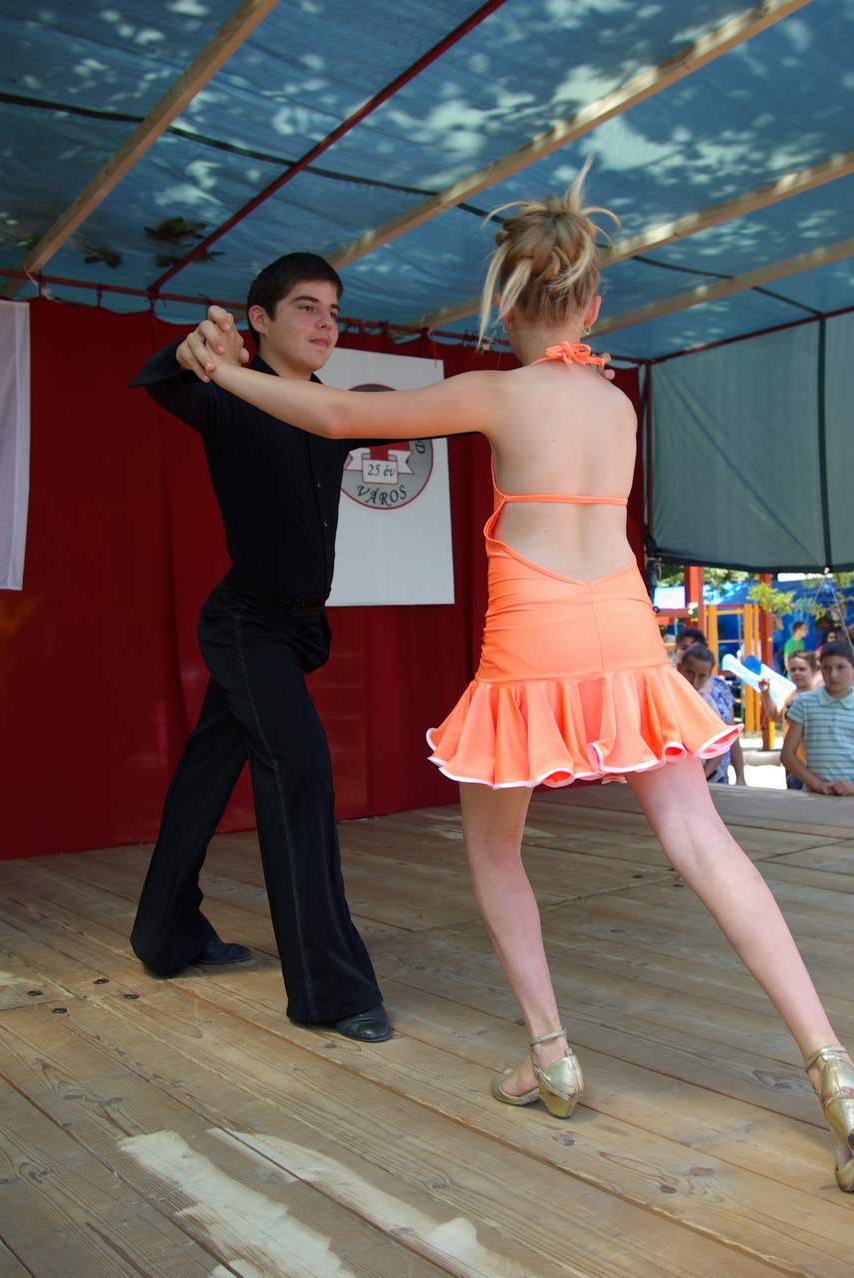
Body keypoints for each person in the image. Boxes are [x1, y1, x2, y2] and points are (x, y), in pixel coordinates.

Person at [187, 176, 854, 1192]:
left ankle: (551, 1055)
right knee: (703, 843)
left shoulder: (498, 392)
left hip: (534, 640)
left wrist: (222, 372)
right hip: (624, 633)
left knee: (495, 850)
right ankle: (832, 1065)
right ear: (592, 304)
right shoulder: (616, 402)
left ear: (506, 307)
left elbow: (331, 414)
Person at [129, 252, 390, 1043]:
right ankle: (330, 992)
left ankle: (164, 936)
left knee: (207, 773)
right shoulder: (229, 399)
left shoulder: (335, 411)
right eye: (307, 307)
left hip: (296, 627)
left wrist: (542, 378)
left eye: (334, 312)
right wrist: (193, 350)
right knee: (301, 770)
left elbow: (450, 410)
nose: (325, 324)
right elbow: (162, 378)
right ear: (260, 320)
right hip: (246, 624)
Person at [781, 641, 854, 796]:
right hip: (815, 794)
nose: (833, 674)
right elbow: (787, 755)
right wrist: (818, 784)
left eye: (841, 667)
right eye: (826, 668)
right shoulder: (805, 703)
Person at [677, 644, 745, 784]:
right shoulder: (668, 699)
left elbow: (721, 743)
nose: (695, 681)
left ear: (709, 676)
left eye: (701, 676)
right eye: (690, 672)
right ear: (679, 668)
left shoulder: (708, 704)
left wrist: (704, 775)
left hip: (701, 775)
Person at [758, 649, 819, 789]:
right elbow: (775, 716)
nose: (797, 673)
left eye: (802, 669)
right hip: (792, 761)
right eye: (793, 669)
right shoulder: (789, 696)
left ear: (814, 670)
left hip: (811, 763)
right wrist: (765, 693)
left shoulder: (817, 697)